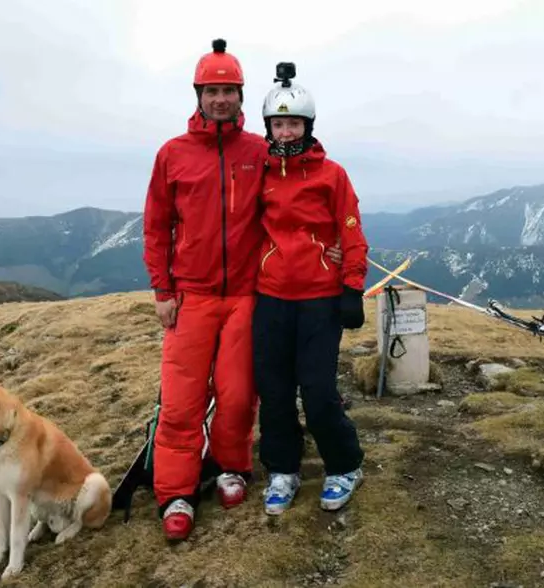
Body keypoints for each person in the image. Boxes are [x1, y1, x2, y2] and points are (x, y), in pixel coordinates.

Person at [142, 40, 341, 541]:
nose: (221, 99)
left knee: (236, 397)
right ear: (199, 94)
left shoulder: (261, 151)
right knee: (183, 401)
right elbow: (156, 225)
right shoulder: (173, 155)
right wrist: (162, 289)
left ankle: (232, 467)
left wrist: (332, 248)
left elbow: (303, 197)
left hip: (248, 297)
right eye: (212, 90)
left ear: (242, 94)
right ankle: (177, 492)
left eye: (230, 90)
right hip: (191, 294)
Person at [252, 62, 368, 516]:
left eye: (293, 123)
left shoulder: (331, 175)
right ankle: (283, 468)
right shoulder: (258, 172)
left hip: (319, 299)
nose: (285, 131)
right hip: (271, 296)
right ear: (268, 127)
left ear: (308, 125)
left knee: (317, 390)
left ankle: (345, 464)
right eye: (278, 123)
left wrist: (352, 286)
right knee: (275, 390)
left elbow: (351, 228)